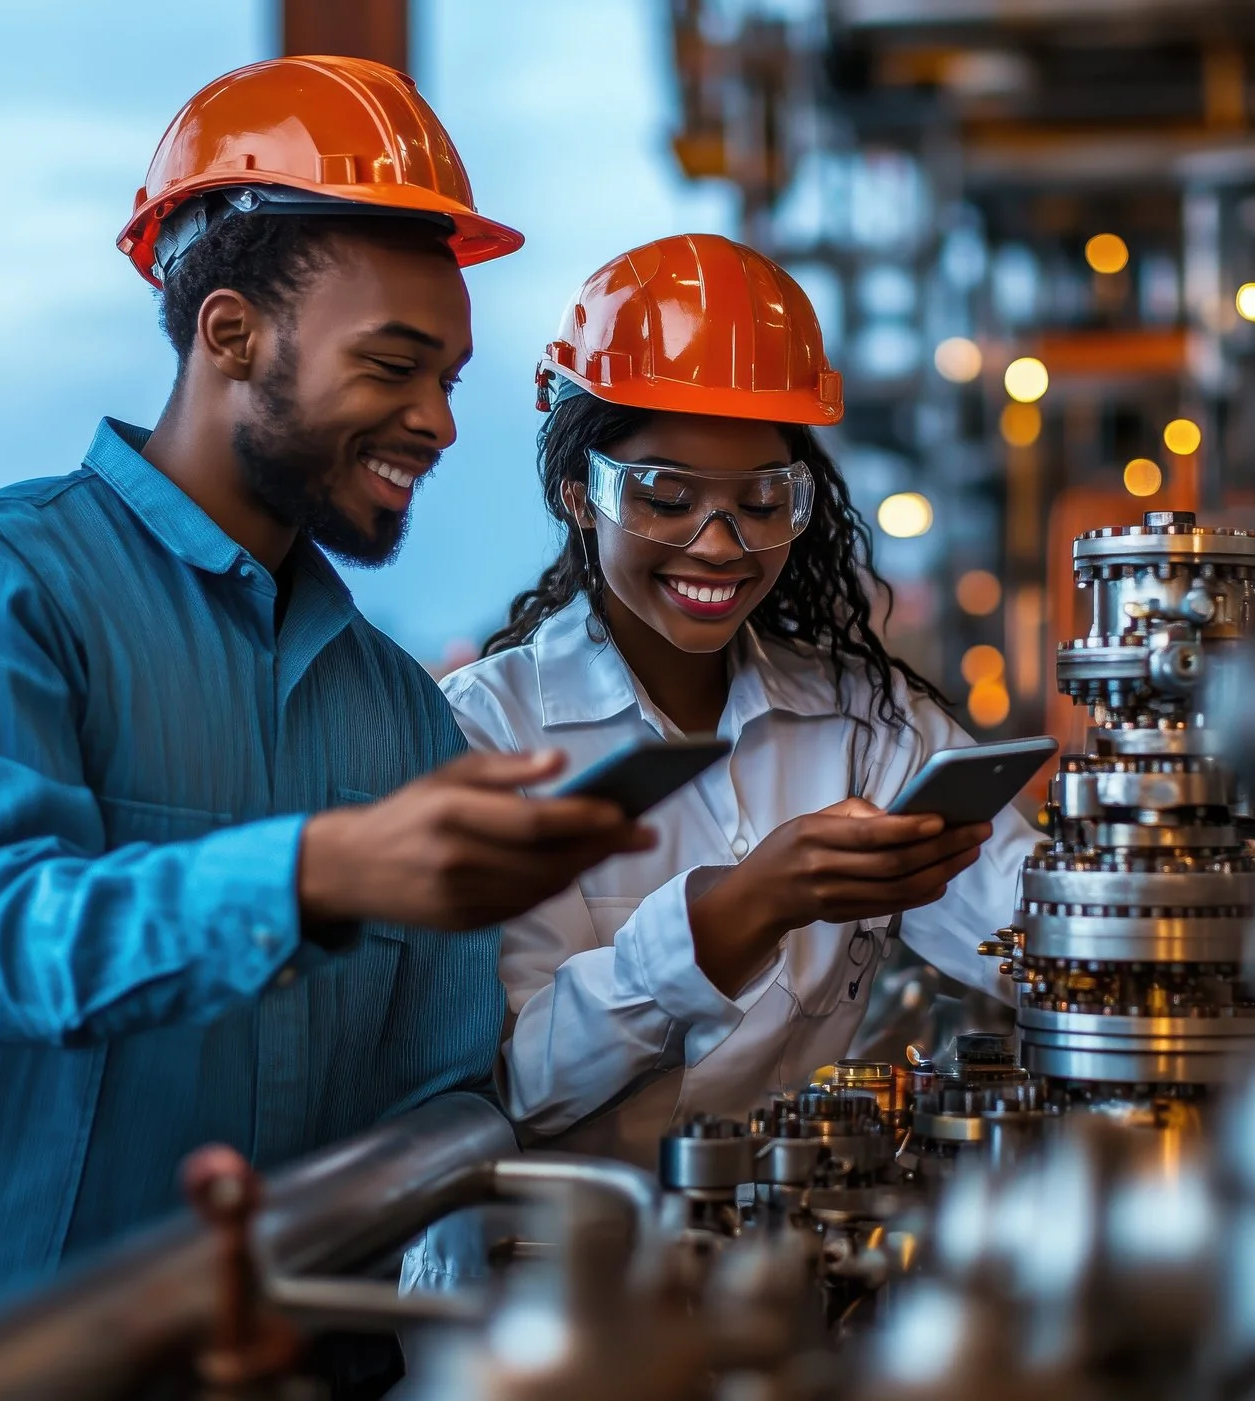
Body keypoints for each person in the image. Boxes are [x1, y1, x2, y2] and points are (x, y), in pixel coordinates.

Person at [0, 58, 650, 1398]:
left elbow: (439, 1102)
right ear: (229, 334)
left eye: (453, 376)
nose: (439, 421)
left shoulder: (401, 714)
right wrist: (320, 872)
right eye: (395, 366)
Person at [439, 234, 1036, 1169]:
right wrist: (737, 911)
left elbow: (1031, 935)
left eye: (761, 501)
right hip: (563, 1275)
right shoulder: (486, 732)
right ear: (576, 495)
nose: (719, 546)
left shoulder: (865, 727)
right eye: (667, 497)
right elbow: (513, 1086)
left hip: (798, 1260)